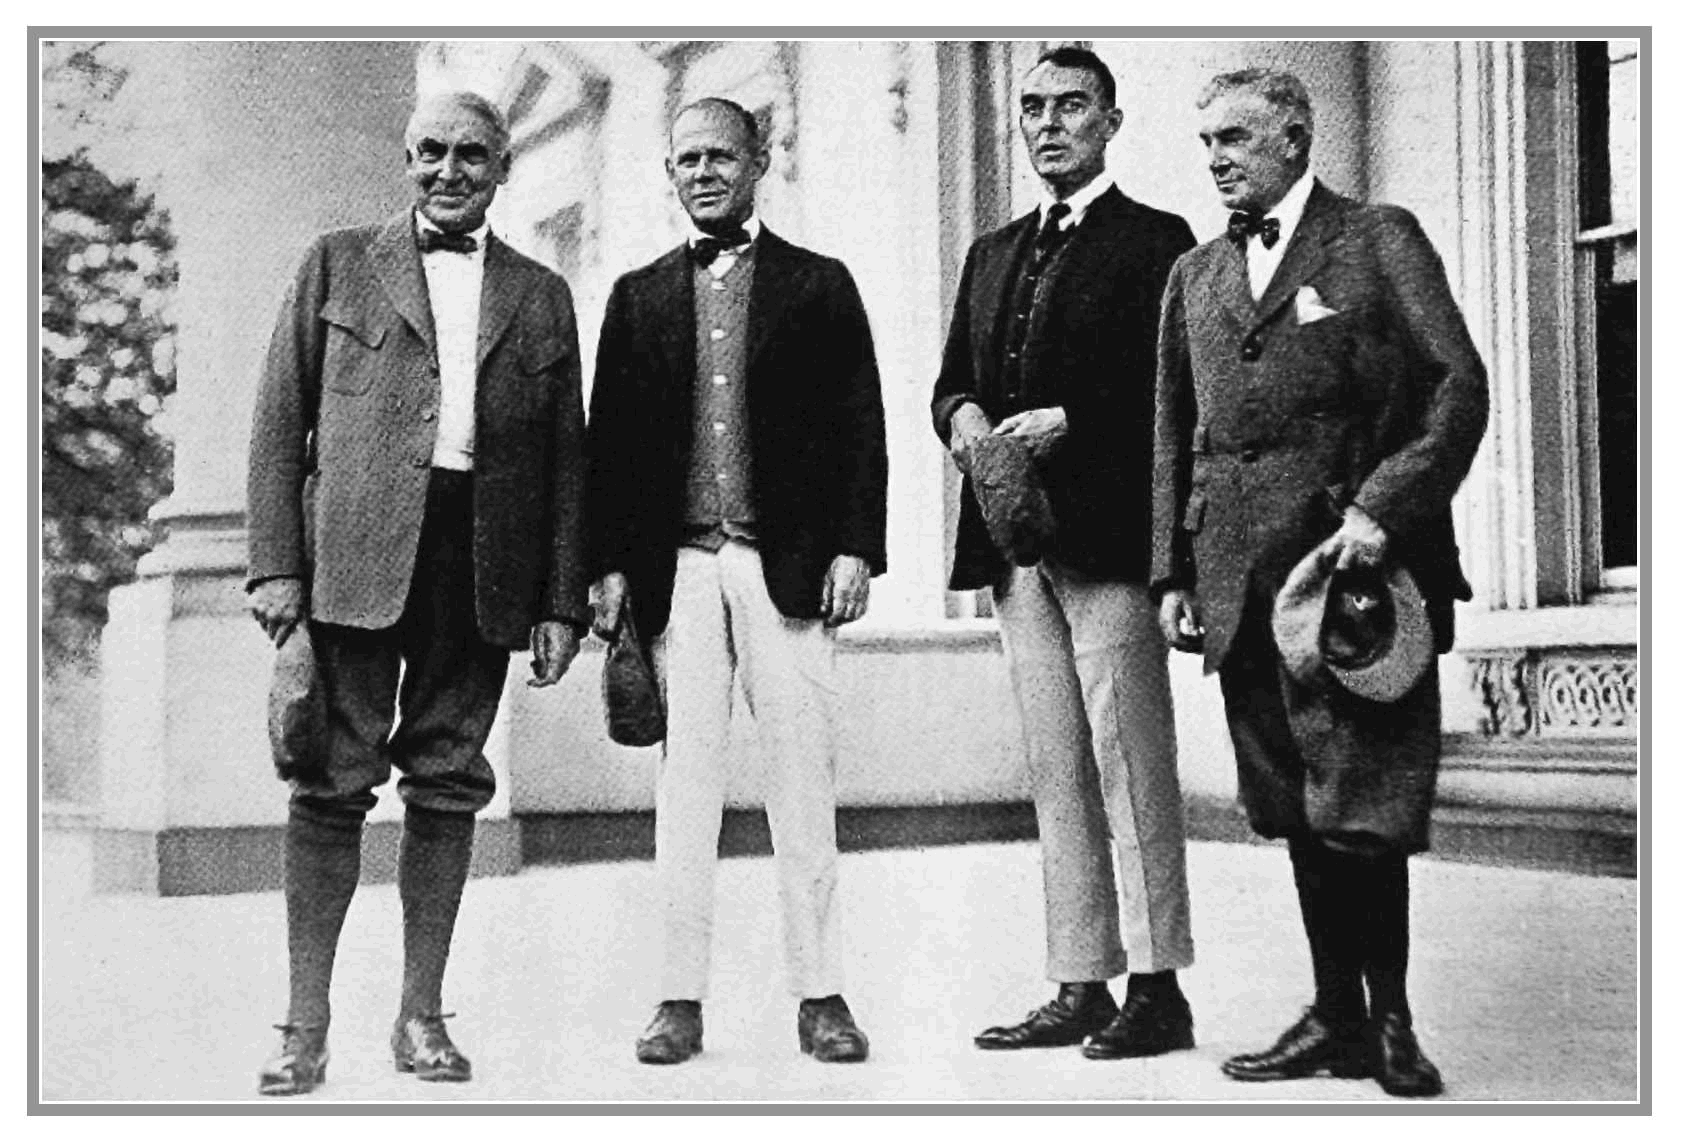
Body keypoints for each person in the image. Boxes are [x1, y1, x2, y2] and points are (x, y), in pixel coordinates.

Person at [1151, 68, 1489, 1098]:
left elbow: (1455, 385)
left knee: (1363, 806)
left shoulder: (1376, 237)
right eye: (1206, 139)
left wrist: (1384, 509)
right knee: (1296, 807)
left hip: (1354, 589)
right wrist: (1173, 569)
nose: (1216, 156)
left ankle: (1390, 1023)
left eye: (1237, 137)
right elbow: (1174, 432)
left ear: (1295, 139)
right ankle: (1333, 1012)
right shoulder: (1194, 276)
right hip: (1241, 586)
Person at [245, 91, 589, 1095]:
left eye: (472, 156)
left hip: (482, 561)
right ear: (405, 158)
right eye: (432, 152)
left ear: (503, 169)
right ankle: (302, 1028)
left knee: (448, 780)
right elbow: (276, 431)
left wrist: (559, 601)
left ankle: (421, 1017)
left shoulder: (541, 292)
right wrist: (278, 573)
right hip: (352, 561)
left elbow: (569, 459)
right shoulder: (335, 262)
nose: (449, 171)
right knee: (330, 782)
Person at [587, 98, 888, 1066]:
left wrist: (854, 548)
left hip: (787, 568)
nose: (704, 173)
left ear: (760, 160)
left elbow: (859, 427)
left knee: (802, 785)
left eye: (721, 155)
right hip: (675, 573)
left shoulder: (820, 285)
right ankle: (678, 999)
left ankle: (822, 996)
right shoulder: (636, 298)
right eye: (686, 160)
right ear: (667, 174)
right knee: (686, 789)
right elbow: (611, 451)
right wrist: (605, 572)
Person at [930, 46, 1199, 1060]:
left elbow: (1176, 399)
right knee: (1055, 766)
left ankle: (1158, 986)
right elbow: (950, 380)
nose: (1049, 125)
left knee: (1130, 762)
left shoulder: (1155, 243)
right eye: (1034, 108)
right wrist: (961, 420)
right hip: (1014, 548)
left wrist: (1069, 422)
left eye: (1071, 107)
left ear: (1111, 122)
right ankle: (1079, 979)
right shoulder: (992, 251)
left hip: (1110, 539)